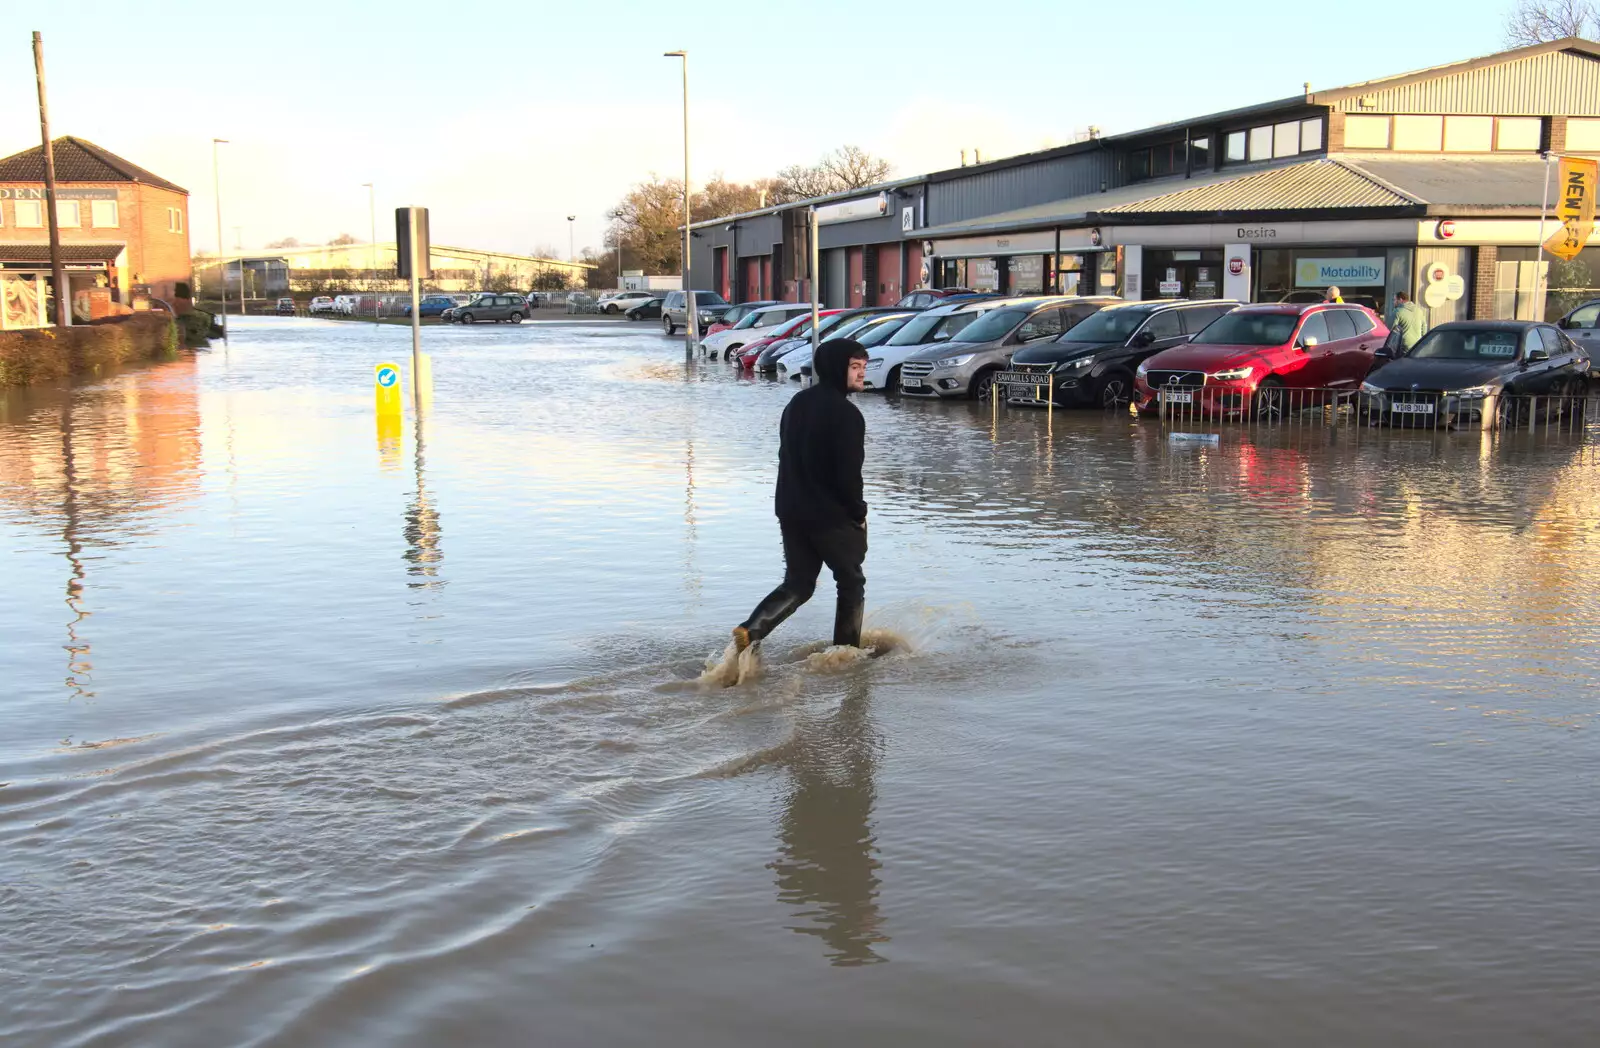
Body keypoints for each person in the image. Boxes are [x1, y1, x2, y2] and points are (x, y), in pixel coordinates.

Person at [734, 338, 870, 652]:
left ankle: (750, 630)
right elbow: (849, 474)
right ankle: (846, 653)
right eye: (854, 367)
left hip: (791, 509)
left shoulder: (797, 403)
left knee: (798, 583)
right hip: (829, 515)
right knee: (851, 582)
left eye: (863, 367)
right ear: (836, 368)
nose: (861, 374)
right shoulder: (847, 415)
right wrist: (858, 513)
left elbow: (787, 456)